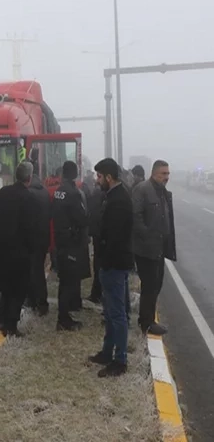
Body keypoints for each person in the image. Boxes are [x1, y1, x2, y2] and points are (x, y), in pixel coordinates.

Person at [90, 158, 134, 377]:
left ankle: (120, 359)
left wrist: (104, 262)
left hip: (114, 265)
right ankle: (108, 352)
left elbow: (114, 238)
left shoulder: (118, 201)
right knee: (110, 312)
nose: (97, 181)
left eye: (99, 177)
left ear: (108, 177)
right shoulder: (115, 196)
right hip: (112, 263)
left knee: (117, 314)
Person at [0, 161, 36, 337]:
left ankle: (4, 322)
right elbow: (31, 227)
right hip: (20, 253)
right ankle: (11, 325)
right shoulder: (29, 198)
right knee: (18, 290)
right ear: (29, 178)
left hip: (1, 249)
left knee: (5, 289)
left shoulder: (3, 193)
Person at [132, 160, 177, 336]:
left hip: (160, 248)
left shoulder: (164, 193)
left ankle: (147, 318)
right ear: (154, 173)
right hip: (146, 249)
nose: (166, 177)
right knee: (150, 286)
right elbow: (135, 217)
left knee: (156, 285)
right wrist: (147, 236)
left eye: (168, 174)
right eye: (163, 174)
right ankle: (147, 323)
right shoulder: (142, 190)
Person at [51, 160, 90, 331]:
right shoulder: (73, 193)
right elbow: (82, 218)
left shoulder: (59, 191)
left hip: (61, 239)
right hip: (72, 242)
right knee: (69, 281)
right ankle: (64, 318)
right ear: (74, 174)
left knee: (64, 279)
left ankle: (64, 314)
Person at [26, 170, 51, 316]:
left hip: (33, 238)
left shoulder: (30, 194)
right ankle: (41, 302)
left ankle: (36, 302)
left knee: (33, 272)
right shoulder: (44, 192)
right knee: (39, 270)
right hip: (43, 237)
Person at [86, 179, 105, 305]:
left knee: (99, 265)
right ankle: (97, 294)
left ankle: (96, 294)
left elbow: (92, 213)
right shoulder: (105, 194)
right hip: (100, 235)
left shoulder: (99, 194)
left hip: (100, 235)